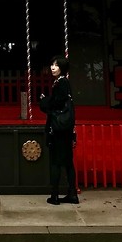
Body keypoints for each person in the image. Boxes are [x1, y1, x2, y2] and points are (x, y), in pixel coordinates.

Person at [39, 55, 78, 205]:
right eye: (52, 65)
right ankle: (72, 194)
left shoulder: (61, 83)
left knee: (56, 162)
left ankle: (54, 195)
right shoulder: (63, 83)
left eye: (56, 65)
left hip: (58, 129)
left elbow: (56, 102)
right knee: (68, 162)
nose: (53, 67)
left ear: (62, 67)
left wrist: (44, 101)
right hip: (66, 129)